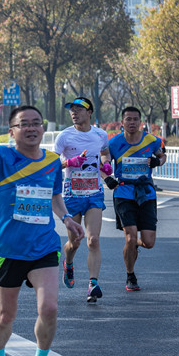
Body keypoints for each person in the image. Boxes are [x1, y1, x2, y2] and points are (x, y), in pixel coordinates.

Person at [0, 93, 84, 356]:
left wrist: (67, 219)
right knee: (6, 315)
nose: (31, 128)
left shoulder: (52, 162)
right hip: (7, 249)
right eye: (24, 124)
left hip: (44, 245)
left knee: (49, 308)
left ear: (42, 128)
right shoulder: (1, 157)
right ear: (12, 131)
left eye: (36, 123)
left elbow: (55, 196)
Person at [54, 97, 112, 303]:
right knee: (75, 242)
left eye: (79, 109)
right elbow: (51, 163)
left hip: (94, 192)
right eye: (72, 110)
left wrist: (106, 164)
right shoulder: (64, 136)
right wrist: (69, 162)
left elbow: (105, 153)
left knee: (93, 240)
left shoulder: (100, 134)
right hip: (72, 194)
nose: (74, 113)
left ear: (89, 112)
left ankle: (93, 284)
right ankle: (68, 263)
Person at [107, 106, 167, 292]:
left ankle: (135, 245)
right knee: (130, 236)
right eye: (128, 119)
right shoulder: (113, 143)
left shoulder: (152, 140)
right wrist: (107, 178)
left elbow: (163, 155)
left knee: (148, 242)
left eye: (135, 119)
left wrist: (158, 161)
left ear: (140, 122)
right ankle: (130, 275)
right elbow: (102, 163)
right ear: (122, 122)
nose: (132, 122)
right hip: (123, 192)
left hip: (146, 192)